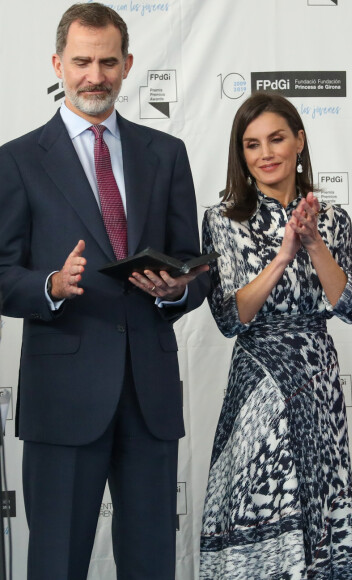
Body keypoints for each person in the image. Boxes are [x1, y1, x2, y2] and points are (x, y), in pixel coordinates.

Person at [0, 4, 209, 579]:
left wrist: (173, 290)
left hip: (150, 396)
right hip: (63, 398)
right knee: (57, 562)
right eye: (83, 61)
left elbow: (195, 266)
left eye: (108, 61)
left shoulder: (165, 153)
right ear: (58, 64)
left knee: (150, 564)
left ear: (128, 64)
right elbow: (0, 272)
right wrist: (50, 284)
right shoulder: (16, 161)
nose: (96, 75)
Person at [199, 92, 352, 579]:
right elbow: (230, 317)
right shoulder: (223, 220)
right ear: (242, 155)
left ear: (299, 141)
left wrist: (314, 244)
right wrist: (281, 255)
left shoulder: (333, 219)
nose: (266, 153)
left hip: (317, 376)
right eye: (252, 145)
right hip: (261, 380)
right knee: (260, 498)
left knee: (321, 495)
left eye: (276, 139)